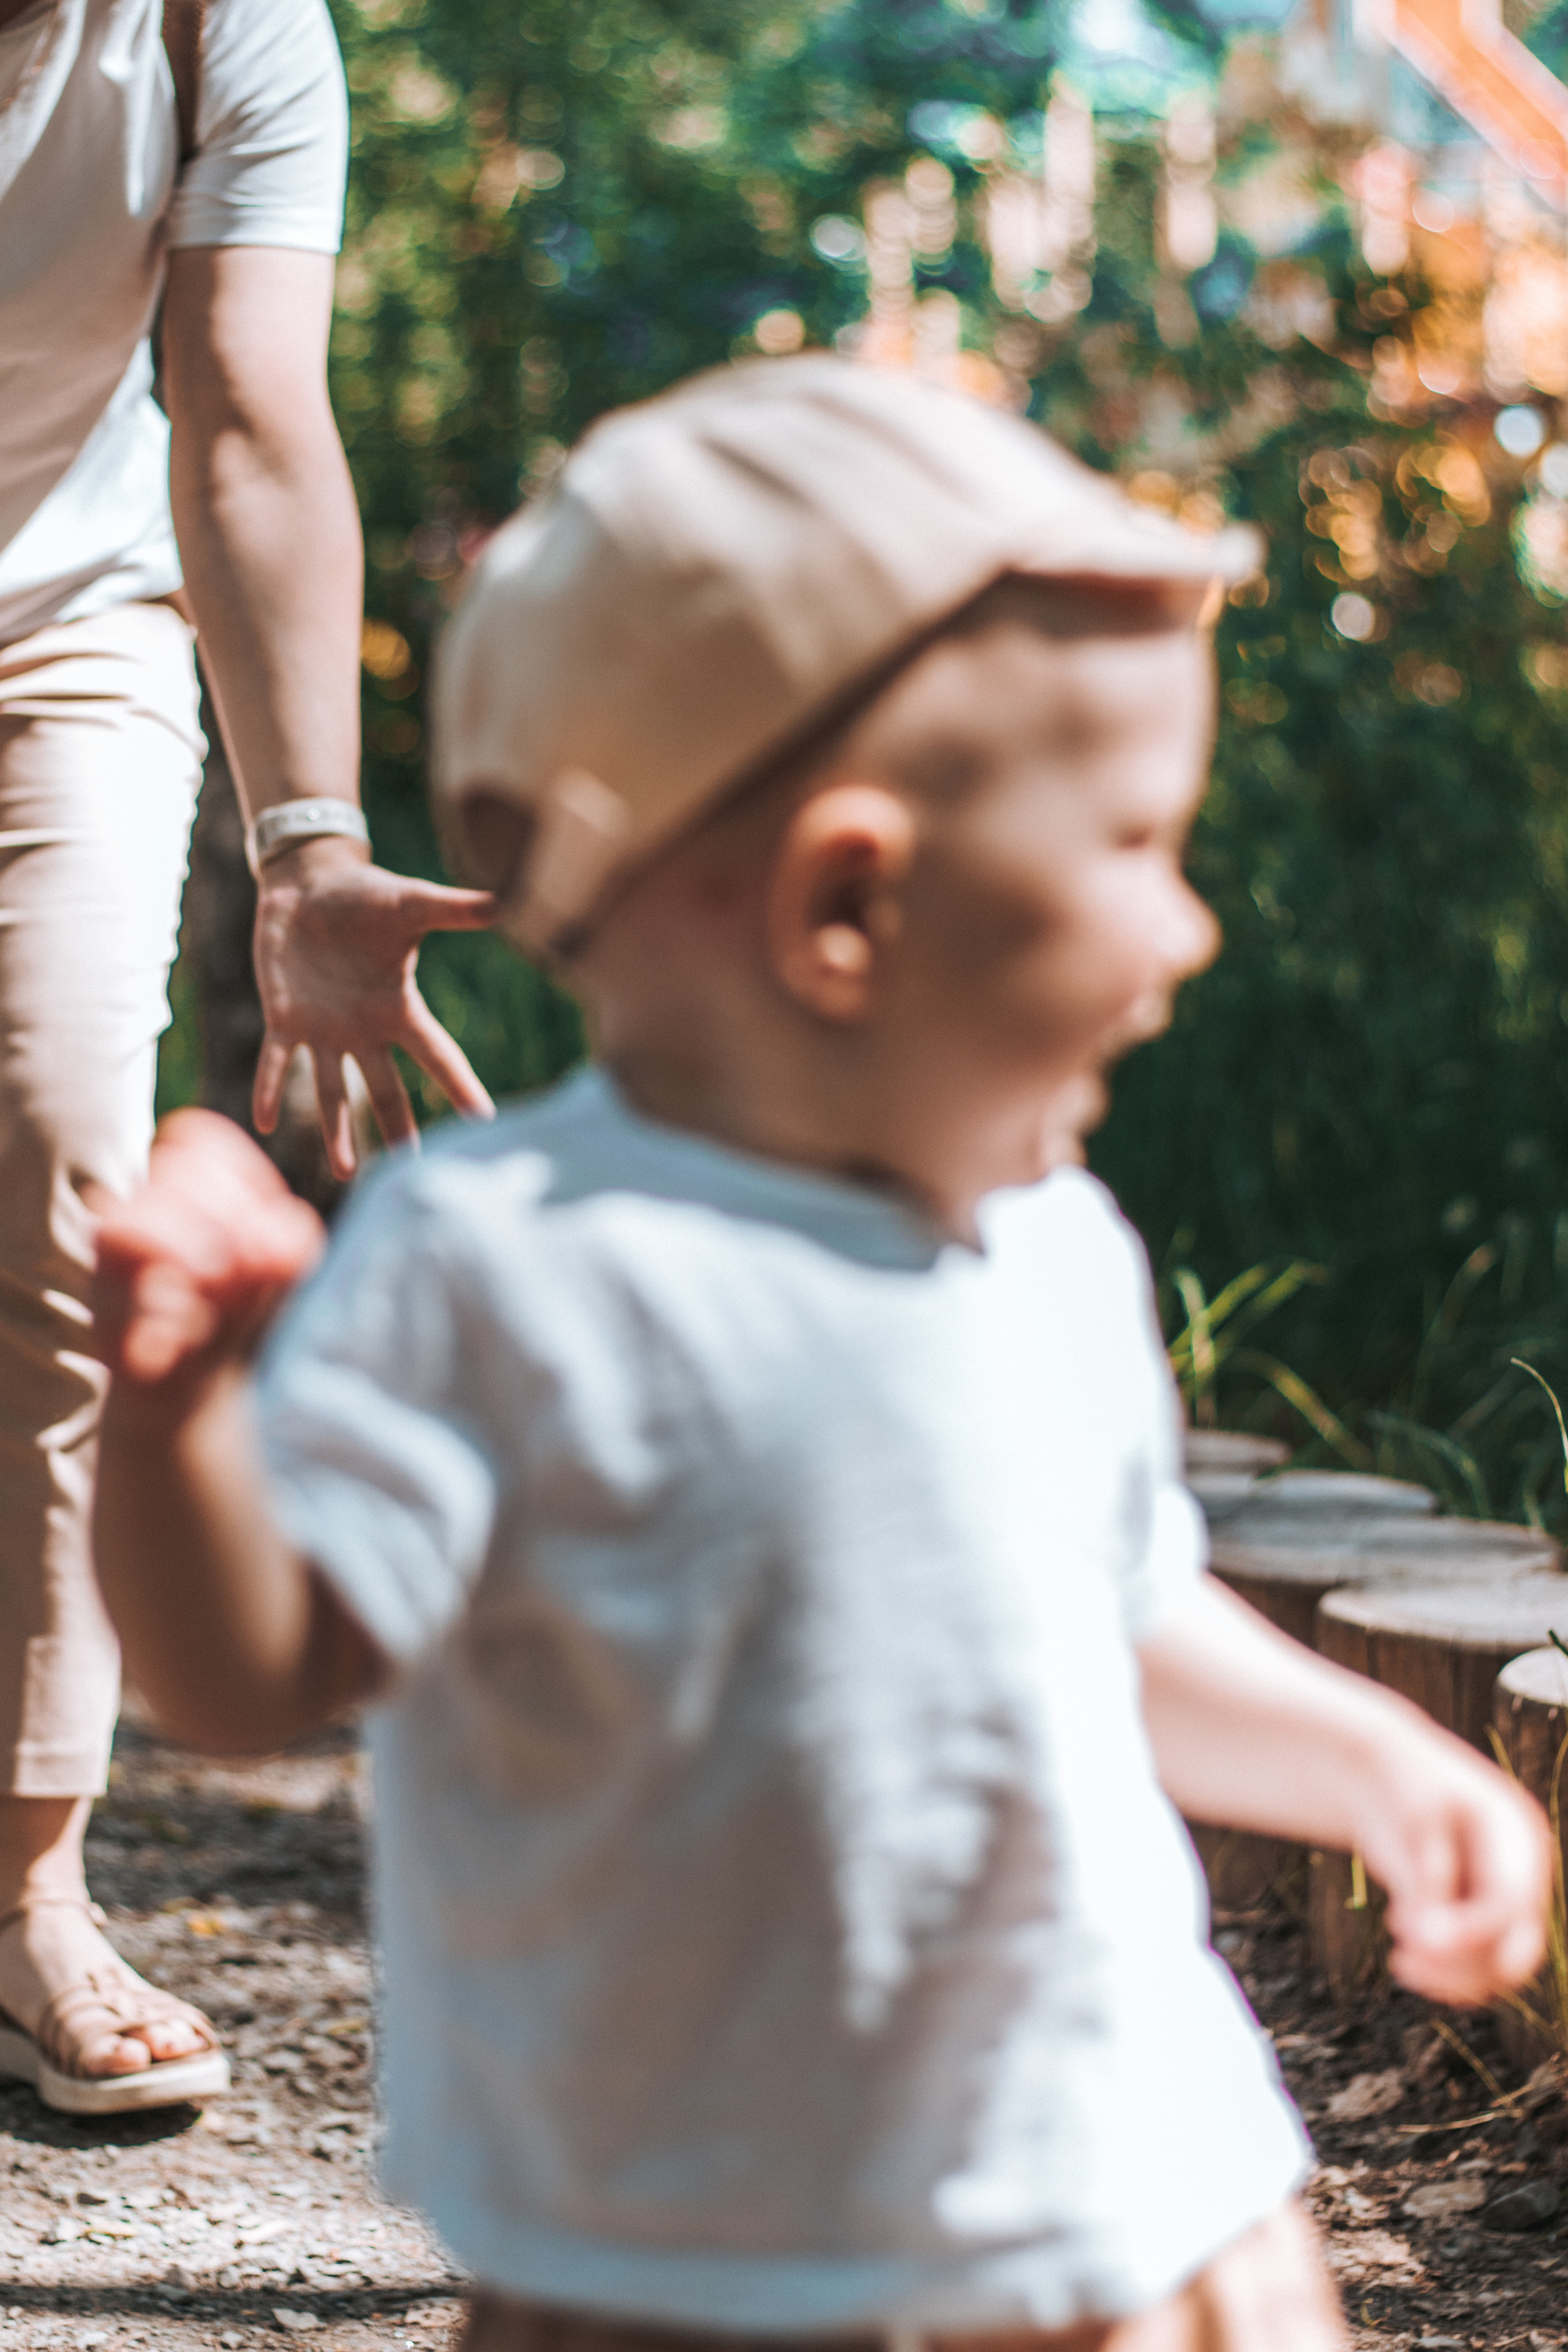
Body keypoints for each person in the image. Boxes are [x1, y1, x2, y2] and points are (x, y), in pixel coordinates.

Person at [89, 361, 1549, 2346]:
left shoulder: (1050, 1246)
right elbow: (252, 1674)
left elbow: (1107, 1619)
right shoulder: (500, 1271)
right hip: (672, 2283)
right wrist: (182, 1415)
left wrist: (1374, 1762)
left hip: (1151, 2224)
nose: (1190, 931)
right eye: (1139, 844)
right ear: (848, 905)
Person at [0, 0, 494, 2110]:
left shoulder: (221, 27)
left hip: (57, 629)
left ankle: (26, 1886)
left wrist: (312, 850)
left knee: (60, 1159)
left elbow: (249, 414)